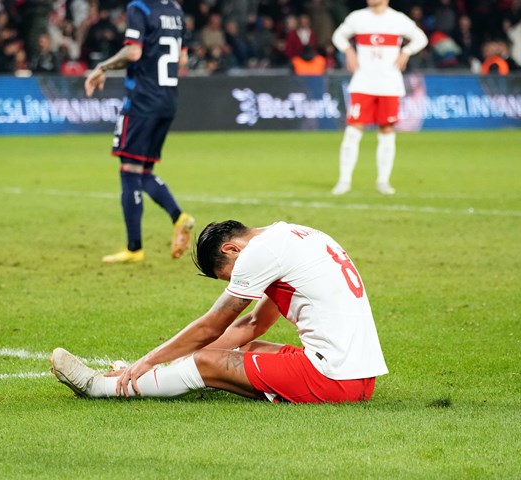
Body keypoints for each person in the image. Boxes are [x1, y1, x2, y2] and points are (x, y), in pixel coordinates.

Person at [51, 220, 389, 404]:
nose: (235, 283)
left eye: (229, 276)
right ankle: (162, 378)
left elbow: (212, 326)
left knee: (206, 361)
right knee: (244, 350)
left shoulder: (259, 253)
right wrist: (163, 362)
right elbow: (254, 324)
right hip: (359, 378)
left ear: (231, 248)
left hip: (332, 378)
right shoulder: (294, 237)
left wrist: (148, 361)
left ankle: (98, 387)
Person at [84, 0, 195, 264]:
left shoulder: (139, 8)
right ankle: (179, 217)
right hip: (167, 101)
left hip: (142, 102)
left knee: (129, 172)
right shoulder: (176, 10)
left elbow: (133, 52)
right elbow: (182, 58)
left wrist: (102, 67)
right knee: (143, 172)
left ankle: (134, 249)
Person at [330, 0, 428, 196]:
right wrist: (349, 51)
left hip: (389, 84)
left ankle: (383, 181)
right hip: (362, 83)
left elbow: (421, 39)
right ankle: (344, 181)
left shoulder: (398, 19)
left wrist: (406, 52)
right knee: (353, 130)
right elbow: (338, 36)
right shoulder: (358, 17)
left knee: (387, 131)